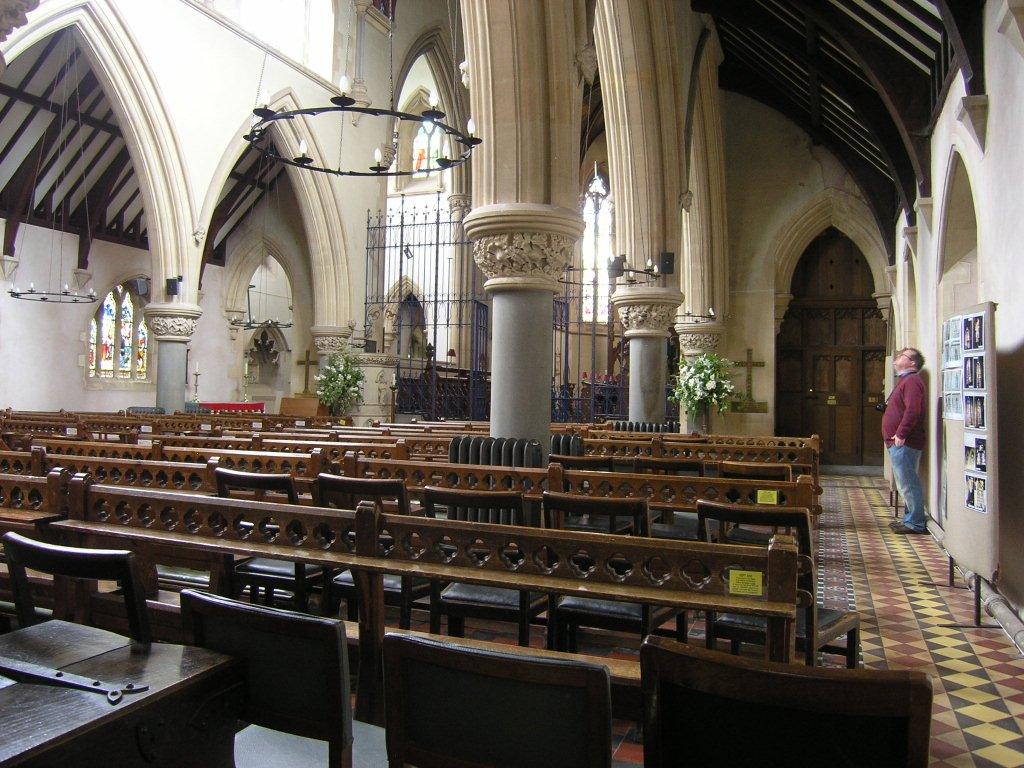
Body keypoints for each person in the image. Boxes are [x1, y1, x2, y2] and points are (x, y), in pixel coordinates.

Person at [884, 347, 929, 534]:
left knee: (908, 483)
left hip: (905, 442)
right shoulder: (905, 381)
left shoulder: (912, 381)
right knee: (906, 482)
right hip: (900, 441)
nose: (897, 357)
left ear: (912, 362)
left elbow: (913, 411)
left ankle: (916, 523)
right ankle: (910, 518)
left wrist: (901, 434)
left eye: (902, 355)